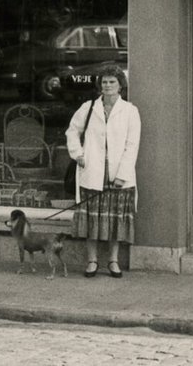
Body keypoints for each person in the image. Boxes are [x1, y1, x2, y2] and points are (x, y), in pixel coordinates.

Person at [64, 63, 140, 279]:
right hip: (93, 172)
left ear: (120, 85)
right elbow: (72, 131)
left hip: (118, 174)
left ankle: (113, 261)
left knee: (115, 219)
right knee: (93, 219)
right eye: (104, 82)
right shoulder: (88, 108)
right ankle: (92, 261)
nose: (107, 86)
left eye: (112, 82)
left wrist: (123, 175)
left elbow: (132, 145)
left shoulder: (130, 111)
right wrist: (77, 153)